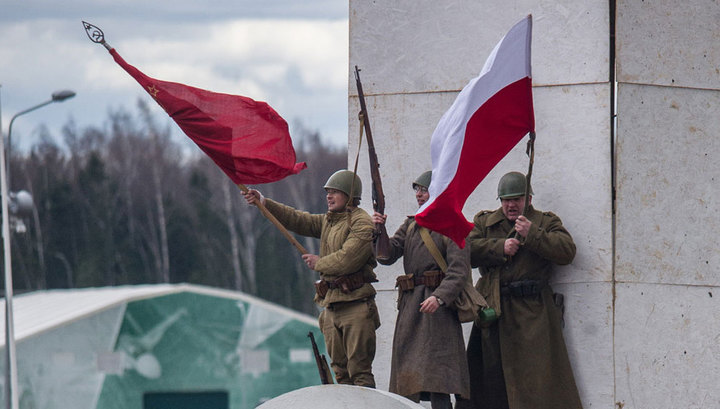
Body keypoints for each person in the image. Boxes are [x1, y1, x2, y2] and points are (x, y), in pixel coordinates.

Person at [243, 169, 380, 387]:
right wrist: (265, 203)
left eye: (335, 192)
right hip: (332, 305)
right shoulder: (330, 220)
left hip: (355, 306)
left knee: (360, 374)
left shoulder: (362, 223)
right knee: (341, 375)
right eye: (328, 192)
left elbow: (348, 259)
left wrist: (320, 263)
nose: (329, 196)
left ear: (349, 195)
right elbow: (299, 220)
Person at [457, 171, 582, 409]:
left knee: (536, 382)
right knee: (491, 381)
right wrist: (498, 246)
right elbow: (465, 249)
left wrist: (532, 234)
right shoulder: (485, 222)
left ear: (529, 199)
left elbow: (566, 252)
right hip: (494, 311)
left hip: (533, 314)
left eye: (516, 199)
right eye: (506, 200)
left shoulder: (545, 222)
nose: (511, 205)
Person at [372, 170, 471, 409]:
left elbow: (458, 272)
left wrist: (440, 297)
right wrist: (379, 230)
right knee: (408, 380)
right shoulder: (412, 223)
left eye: (423, 189)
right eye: (417, 190)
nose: (418, 194)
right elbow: (387, 255)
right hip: (411, 307)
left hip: (437, 311)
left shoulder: (453, 223)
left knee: (439, 379)